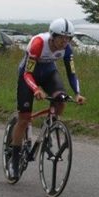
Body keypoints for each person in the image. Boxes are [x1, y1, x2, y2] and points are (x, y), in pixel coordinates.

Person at [9, 18, 86, 180]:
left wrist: (77, 93)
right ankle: (14, 161)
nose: (65, 42)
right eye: (62, 38)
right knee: (23, 118)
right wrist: (36, 89)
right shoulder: (38, 43)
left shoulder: (67, 50)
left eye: (68, 38)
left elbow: (72, 73)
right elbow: (27, 73)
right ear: (53, 36)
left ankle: (51, 125)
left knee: (61, 99)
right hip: (28, 75)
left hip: (49, 73)